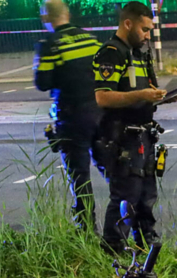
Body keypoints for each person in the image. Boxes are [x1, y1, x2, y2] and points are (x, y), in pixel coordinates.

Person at [92, 1, 177, 253]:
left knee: (146, 193)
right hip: (122, 134)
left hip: (144, 133)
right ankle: (114, 248)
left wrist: (163, 96)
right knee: (125, 195)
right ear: (127, 24)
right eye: (144, 29)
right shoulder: (111, 52)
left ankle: (147, 245)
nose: (147, 34)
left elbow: (147, 90)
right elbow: (103, 97)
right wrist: (141, 95)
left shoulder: (141, 52)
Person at [33, 0, 102, 232]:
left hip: (72, 117)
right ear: (68, 14)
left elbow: (42, 82)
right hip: (101, 112)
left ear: (45, 18)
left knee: (79, 176)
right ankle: (121, 228)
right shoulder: (90, 39)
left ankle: (86, 230)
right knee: (112, 171)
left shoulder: (50, 45)